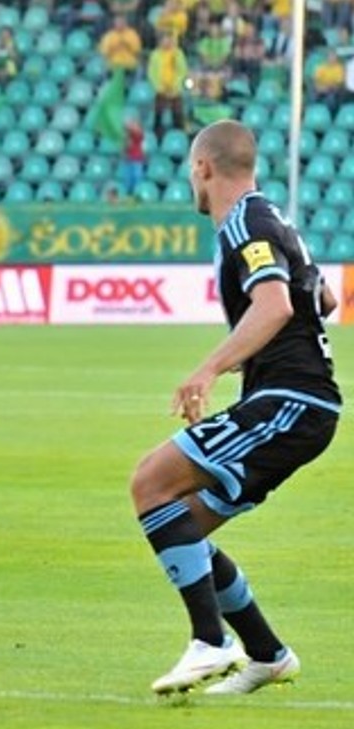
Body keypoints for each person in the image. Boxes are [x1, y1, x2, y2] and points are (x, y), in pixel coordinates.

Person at [131, 120, 340, 696]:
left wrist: (209, 369)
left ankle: (210, 640)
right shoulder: (274, 220)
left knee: (151, 482)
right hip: (300, 403)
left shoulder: (246, 220)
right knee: (183, 526)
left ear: (203, 167)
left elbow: (273, 306)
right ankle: (268, 655)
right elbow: (324, 297)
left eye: (189, 171)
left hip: (291, 402)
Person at [148, 34, 189, 140]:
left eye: (168, 40)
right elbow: (152, 73)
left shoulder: (178, 54)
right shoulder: (155, 55)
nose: (166, 43)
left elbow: (182, 71)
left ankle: (179, 137)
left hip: (175, 90)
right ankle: (157, 138)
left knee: (177, 115)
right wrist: (160, 87)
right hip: (161, 90)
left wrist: (175, 86)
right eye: (164, 40)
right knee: (158, 115)